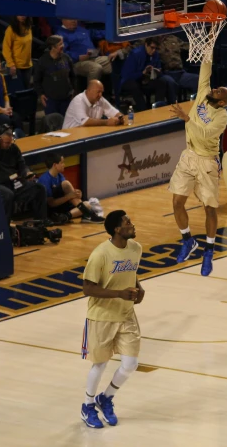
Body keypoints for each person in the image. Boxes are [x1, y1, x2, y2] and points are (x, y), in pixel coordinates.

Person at [167, 53, 227, 277]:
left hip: (207, 161)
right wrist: (209, 46)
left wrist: (187, 120)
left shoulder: (222, 116)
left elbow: (205, 134)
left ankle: (209, 250)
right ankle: (187, 240)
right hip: (189, 155)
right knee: (177, 201)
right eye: (216, 89)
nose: (214, 90)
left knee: (210, 209)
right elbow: (207, 69)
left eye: (218, 92)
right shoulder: (204, 94)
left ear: (221, 101)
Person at [80, 210, 144, 429]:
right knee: (100, 364)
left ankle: (105, 398)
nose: (132, 224)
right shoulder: (100, 254)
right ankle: (87, 405)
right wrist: (118, 294)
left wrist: (140, 288)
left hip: (126, 314)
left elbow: (132, 273)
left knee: (130, 364)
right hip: (101, 316)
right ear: (117, 229)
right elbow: (87, 288)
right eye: (128, 222)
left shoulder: (136, 248)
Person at [0, 125, 47, 222]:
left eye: (11, 141)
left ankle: (41, 222)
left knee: (39, 188)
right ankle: (5, 226)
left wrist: (26, 173)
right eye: (6, 143)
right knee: (8, 195)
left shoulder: (13, 148)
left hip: (15, 182)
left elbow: (22, 164)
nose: (9, 145)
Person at [37, 153, 104, 223]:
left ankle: (65, 217)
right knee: (66, 184)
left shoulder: (60, 175)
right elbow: (51, 203)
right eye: (62, 163)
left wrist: (76, 195)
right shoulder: (44, 179)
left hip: (62, 207)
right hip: (52, 210)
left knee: (88, 204)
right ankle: (88, 214)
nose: (64, 165)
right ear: (55, 165)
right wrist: (69, 196)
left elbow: (70, 196)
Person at [120, 39, 174, 111]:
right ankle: (143, 110)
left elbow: (159, 71)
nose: (154, 50)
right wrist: (142, 73)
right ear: (146, 45)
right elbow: (127, 76)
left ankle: (159, 109)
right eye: (152, 47)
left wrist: (158, 72)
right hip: (131, 80)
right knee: (134, 86)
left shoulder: (155, 54)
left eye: (155, 48)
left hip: (146, 80)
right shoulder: (135, 54)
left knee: (162, 82)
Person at [34, 35, 75, 117]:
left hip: (66, 98)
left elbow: (73, 76)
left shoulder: (66, 58)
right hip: (51, 100)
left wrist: (73, 90)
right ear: (53, 47)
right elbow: (37, 80)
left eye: (62, 43)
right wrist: (41, 94)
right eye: (60, 44)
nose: (63, 46)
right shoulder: (43, 61)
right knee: (53, 124)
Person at [2, 15, 34, 89]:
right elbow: (6, 49)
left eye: (24, 14)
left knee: (26, 91)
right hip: (15, 66)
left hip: (28, 65)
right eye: (20, 14)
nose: (22, 16)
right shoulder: (10, 30)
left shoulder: (28, 27)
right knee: (15, 91)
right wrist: (11, 64)